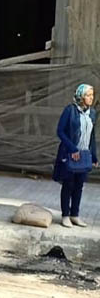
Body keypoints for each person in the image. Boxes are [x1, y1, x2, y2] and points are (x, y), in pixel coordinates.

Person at [53, 84, 98, 228]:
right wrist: (72, 149)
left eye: (92, 95)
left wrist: (94, 156)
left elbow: (92, 136)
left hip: (83, 155)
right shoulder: (70, 110)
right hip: (70, 153)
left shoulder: (92, 113)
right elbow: (60, 131)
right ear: (80, 96)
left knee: (79, 185)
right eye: (88, 95)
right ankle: (65, 215)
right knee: (68, 184)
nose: (91, 98)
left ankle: (75, 215)